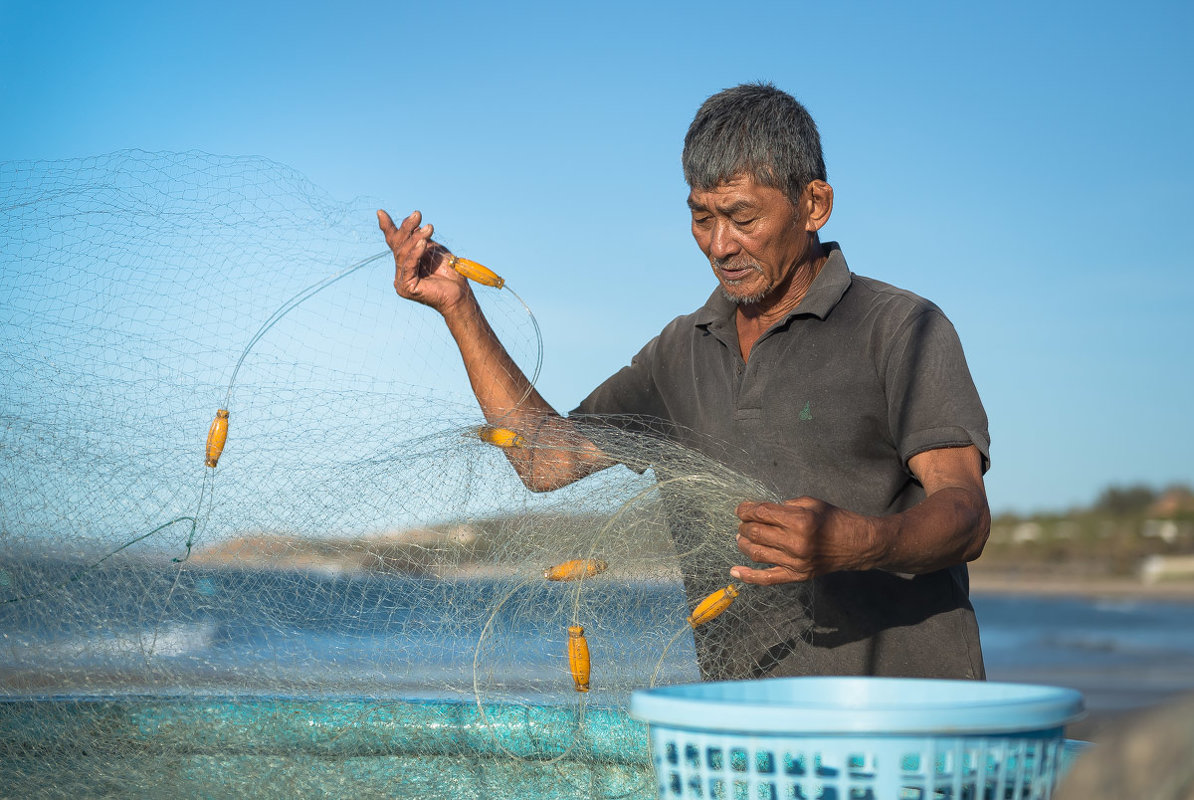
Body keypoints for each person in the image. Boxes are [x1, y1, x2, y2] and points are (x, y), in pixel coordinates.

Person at [377, 82, 991, 680]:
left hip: (910, 725)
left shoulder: (901, 327)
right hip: (744, 737)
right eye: (702, 218)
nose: (720, 245)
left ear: (814, 205)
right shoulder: (679, 351)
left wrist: (857, 542)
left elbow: (966, 515)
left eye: (743, 218)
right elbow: (544, 460)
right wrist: (458, 306)